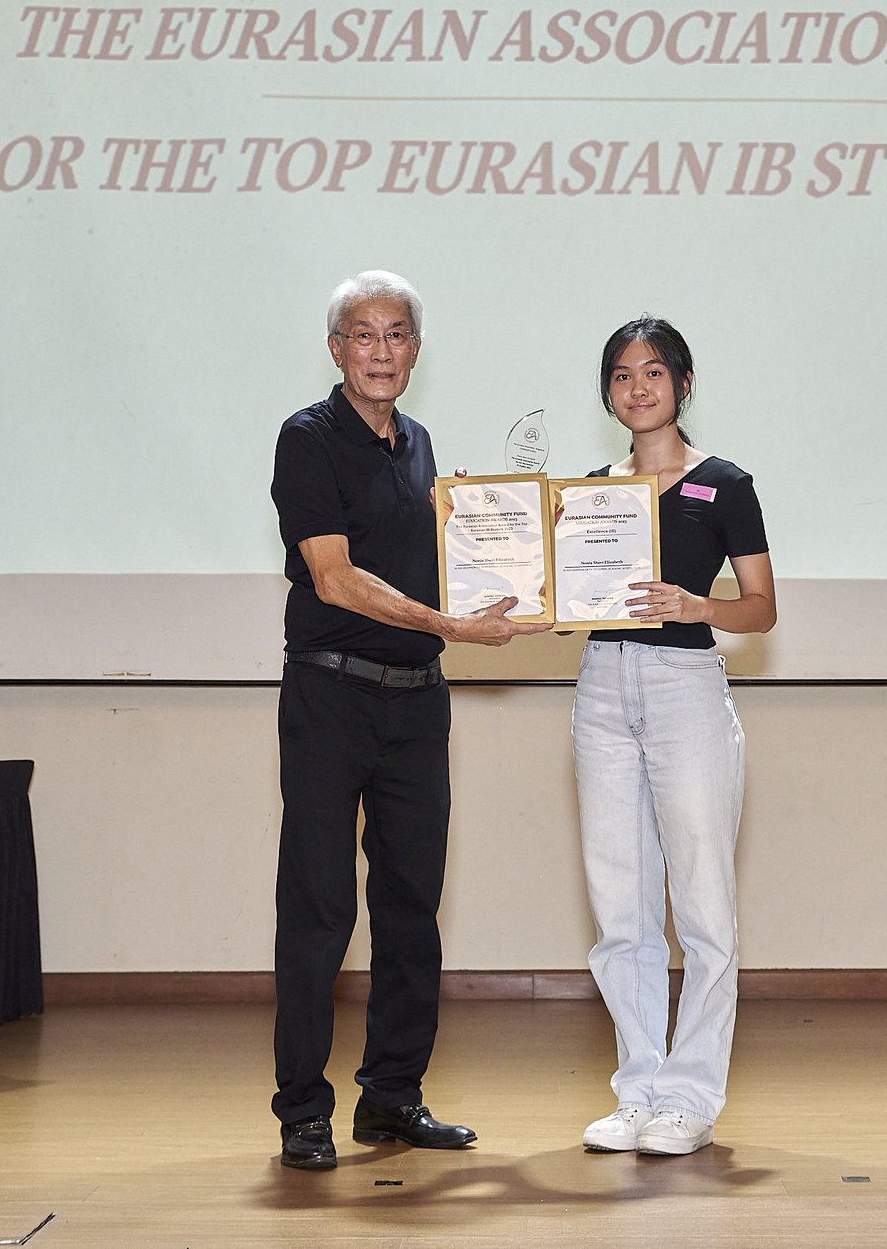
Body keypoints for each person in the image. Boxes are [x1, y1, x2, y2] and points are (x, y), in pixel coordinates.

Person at [268, 270, 548, 1171]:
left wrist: (505, 556)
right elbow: (334, 576)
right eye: (364, 334)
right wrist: (452, 627)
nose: (381, 350)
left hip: (418, 702)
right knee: (319, 906)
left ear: (416, 351)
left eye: (397, 335)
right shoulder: (306, 438)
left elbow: (433, 562)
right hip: (330, 696)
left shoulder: (419, 444)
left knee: (411, 905)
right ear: (336, 347)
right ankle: (303, 1109)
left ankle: (391, 1096)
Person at [571, 318, 775, 1158]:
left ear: (683, 383)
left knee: (702, 904)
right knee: (620, 904)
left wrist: (697, 605)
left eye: (654, 371)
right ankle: (639, 1089)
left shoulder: (725, 484)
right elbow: (562, 593)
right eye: (622, 375)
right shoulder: (590, 492)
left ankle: (689, 1098)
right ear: (608, 393)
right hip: (601, 685)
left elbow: (760, 608)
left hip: (686, 685)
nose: (638, 388)